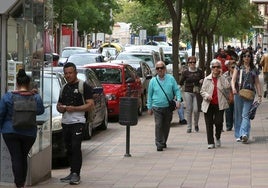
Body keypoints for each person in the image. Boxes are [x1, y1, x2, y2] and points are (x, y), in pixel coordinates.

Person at [0, 69, 45, 188]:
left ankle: (18, 183)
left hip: (10, 132)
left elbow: (1, 114)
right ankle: (22, 183)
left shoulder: (8, 96)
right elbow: (40, 110)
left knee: (16, 157)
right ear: (28, 84)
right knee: (23, 156)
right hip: (29, 133)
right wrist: (35, 94)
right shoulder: (35, 97)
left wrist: (2, 128)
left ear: (17, 83)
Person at [57, 62, 94, 185]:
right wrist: (60, 108)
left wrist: (75, 109)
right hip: (66, 121)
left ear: (75, 73)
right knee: (68, 147)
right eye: (66, 73)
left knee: (76, 146)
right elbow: (59, 105)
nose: (68, 75)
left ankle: (76, 174)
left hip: (79, 121)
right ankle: (72, 171)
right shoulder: (64, 88)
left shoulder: (84, 86)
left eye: (70, 73)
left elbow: (90, 104)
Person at [147, 61, 182, 151]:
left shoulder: (171, 79)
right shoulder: (153, 81)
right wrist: (149, 107)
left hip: (168, 107)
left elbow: (177, 90)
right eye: (158, 68)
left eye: (161, 68)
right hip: (157, 107)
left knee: (166, 125)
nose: (160, 70)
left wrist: (178, 100)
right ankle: (159, 143)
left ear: (165, 69)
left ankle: (163, 141)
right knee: (158, 124)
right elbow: (149, 95)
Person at [231, 49, 262, 143]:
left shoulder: (254, 69)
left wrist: (260, 95)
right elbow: (233, 80)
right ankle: (238, 134)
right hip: (239, 93)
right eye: (245, 56)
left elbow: (257, 83)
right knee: (238, 115)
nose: (247, 58)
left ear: (251, 57)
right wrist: (233, 88)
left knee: (245, 115)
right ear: (242, 57)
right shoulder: (238, 67)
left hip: (250, 94)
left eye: (248, 56)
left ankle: (244, 134)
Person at [200, 59, 230, 149]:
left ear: (220, 68)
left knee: (218, 122)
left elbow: (227, 87)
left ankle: (217, 137)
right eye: (214, 67)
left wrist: (221, 76)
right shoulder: (207, 79)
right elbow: (202, 91)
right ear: (211, 68)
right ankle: (210, 142)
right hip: (208, 104)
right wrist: (206, 96)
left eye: (218, 67)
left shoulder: (223, 78)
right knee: (209, 124)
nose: (216, 69)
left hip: (220, 104)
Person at [179, 56, 204, 133]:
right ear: (188, 63)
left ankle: (196, 124)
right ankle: (189, 127)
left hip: (197, 92)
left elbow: (204, 79)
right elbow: (181, 82)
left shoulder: (199, 71)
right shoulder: (185, 72)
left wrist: (202, 80)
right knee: (189, 109)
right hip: (188, 91)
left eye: (194, 62)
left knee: (196, 110)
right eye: (190, 62)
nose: (192, 64)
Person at [222, 60, 236, 131]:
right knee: (228, 111)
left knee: (236, 111)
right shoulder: (225, 75)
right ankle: (229, 125)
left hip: (237, 94)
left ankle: (237, 124)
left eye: (234, 67)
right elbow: (224, 86)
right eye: (232, 67)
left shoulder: (239, 74)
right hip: (228, 95)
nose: (233, 68)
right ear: (229, 67)